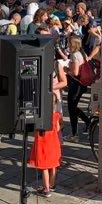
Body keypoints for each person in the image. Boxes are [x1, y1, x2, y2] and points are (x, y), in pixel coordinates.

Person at [26, 51, 67, 195]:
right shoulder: (36, 64)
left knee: (53, 131)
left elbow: (64, 82)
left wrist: (49, 89)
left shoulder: (56, 64)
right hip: (43, 104)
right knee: (53, 131)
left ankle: (48, 185)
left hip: (53, 101)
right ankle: (51, 181)